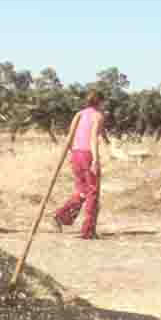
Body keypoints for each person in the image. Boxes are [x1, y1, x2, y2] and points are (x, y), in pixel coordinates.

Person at [52, 90, 104, 239]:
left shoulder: (79, 114)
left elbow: (70, 136)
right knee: (92, 192)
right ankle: (88, 230)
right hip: (87, 154)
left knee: (82, 190)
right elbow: (93, 138)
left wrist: (70, 153)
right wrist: (95, 160)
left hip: (76, 153)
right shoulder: (98, 116)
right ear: (100, 102)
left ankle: (61, 216)